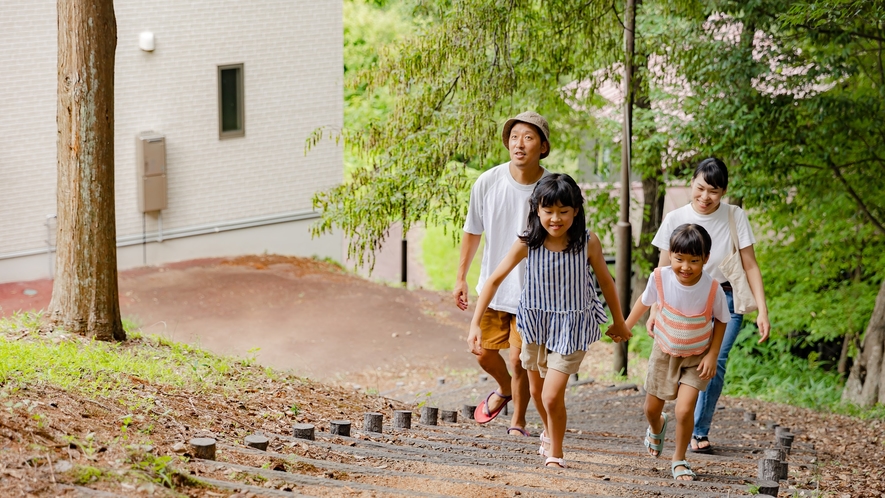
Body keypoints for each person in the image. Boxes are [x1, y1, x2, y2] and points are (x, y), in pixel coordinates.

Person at [469, 174, 632, 468]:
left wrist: (619, 322)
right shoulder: (527, 242)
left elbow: (607, 283)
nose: (555, 219)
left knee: (551, 394)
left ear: (576, 211)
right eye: (548, 211)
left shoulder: (586, 242)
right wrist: (474, 324)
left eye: (563, 211)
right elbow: (493, 281)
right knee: (536, 392)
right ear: (537, 210)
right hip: (535, 326)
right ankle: (549, 432)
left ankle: (555, 454)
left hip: (571, 327)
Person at [648, 157, 771, 453]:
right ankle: (665, 418)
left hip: (724, 299)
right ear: (692, 183)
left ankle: (698, 430)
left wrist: (763, 310)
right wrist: (654, 309)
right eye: (700, 188)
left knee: (715, 361)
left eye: (713, 191)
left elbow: (750, 264)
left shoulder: (734, 216)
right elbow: (663, 268)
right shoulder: (675, 217)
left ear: (724, 191)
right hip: (680, 302)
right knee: (672, 357)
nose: (705, 197)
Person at [454, 111, 551, 437]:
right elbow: (472, 231)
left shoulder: (551, 188)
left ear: (543, 146)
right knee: (482, 352)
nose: (519, 144)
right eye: (514, 137)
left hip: (534, 293)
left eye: (527, 137)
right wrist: (461, 277)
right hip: (493, 288)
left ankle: (518, 422)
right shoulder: (488, 181)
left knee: (521, 359)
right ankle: (505, 390)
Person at [625, 223, 730, 480]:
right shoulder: (660, 277)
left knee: (684, 410)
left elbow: (722, 320)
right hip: (664, 351)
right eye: (679, 259)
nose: (685, 267)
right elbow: (644, 301)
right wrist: (625, 326)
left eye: (694, 260)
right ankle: (657, 426)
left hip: (697, 357)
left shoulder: (712, 288)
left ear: (706, 259)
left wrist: (712, 354)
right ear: (670, 254)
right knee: (650, 409)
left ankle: (680, 459)